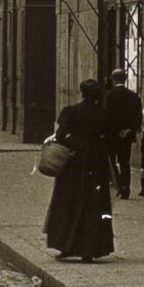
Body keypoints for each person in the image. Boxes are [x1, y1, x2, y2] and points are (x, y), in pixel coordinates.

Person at [44, 79, 116, 262]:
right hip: (97, 163)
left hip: (75, 163)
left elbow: (60, 136)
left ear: (81, 93)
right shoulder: (103, 113)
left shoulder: (73, 111)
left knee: (70, 201)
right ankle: (90, 248)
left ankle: (66, 245)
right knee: (94, 204)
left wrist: (74, 142)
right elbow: (110, 136)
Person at [103, 70, 143, 200]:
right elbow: (138, 116)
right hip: (126, 136)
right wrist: (129, 129)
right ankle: (126, 188)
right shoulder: (133, 96)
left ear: (113, 79)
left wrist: (117, 129)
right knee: (125, 161)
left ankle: (119, 184)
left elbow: (107, 116)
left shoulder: (109, 95)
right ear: (125, 79)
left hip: (112, 135)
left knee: (111, 161)